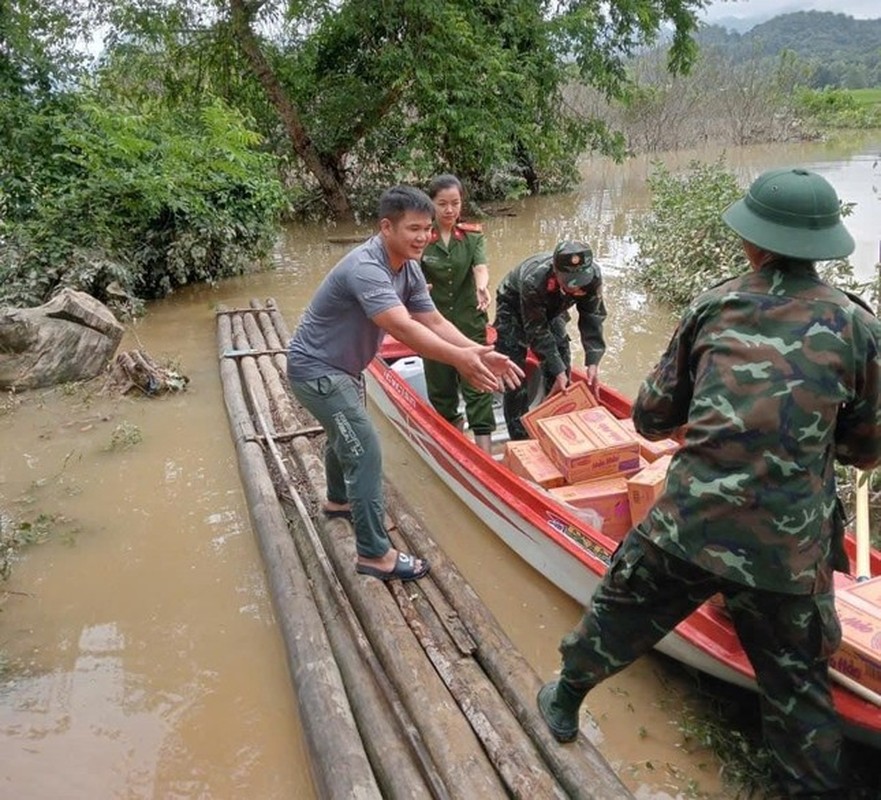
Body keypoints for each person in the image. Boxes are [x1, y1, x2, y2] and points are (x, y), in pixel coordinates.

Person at [536, 168, 881, 798]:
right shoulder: (859, 328)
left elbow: (650, 416)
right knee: (798, 694)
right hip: (788, 549)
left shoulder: (714, 305)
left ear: (754, 243)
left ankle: (564, 698)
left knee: (619, 615)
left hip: (691, 524)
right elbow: (866, 448)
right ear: (824, 246)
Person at [286, 185, 523, 582]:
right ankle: (374, 555)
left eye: (427, 229)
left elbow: (432, 321)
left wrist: (476, 351)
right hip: (318, 372)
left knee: (345, 434)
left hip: (343, 369)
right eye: (413, 228)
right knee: (364, 451)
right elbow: (402, 328)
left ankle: (339, 501)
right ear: (386, 227)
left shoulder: (408, 266)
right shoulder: (367, 267)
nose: (423, 237)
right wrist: (461, 360)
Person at [493, 241, 607, 440]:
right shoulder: (534, 279)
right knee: (514, 374)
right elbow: (536, 330)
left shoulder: (592, 277)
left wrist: (593, 361)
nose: (577, 287)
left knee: (562, 370)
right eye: (570, 282)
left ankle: (555, 433)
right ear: (555, 271)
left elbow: (592, 317)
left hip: (554, 309)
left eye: (580, 281)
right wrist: (556, 367)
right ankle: (520, 438)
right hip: (513, 305)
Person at [420, 174, 495, 453]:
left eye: (455, 203)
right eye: (442, 204)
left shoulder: (473, 236)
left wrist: (482, 287)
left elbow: (480, 266)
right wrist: (417, 286)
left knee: (478, 383)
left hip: (468, 322)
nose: (450, 210)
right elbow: (411, 268)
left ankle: (484, 451)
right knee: (441, 388)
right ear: (432, 204)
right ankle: (454, 443)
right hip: (432, 324)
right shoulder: (423, 237)